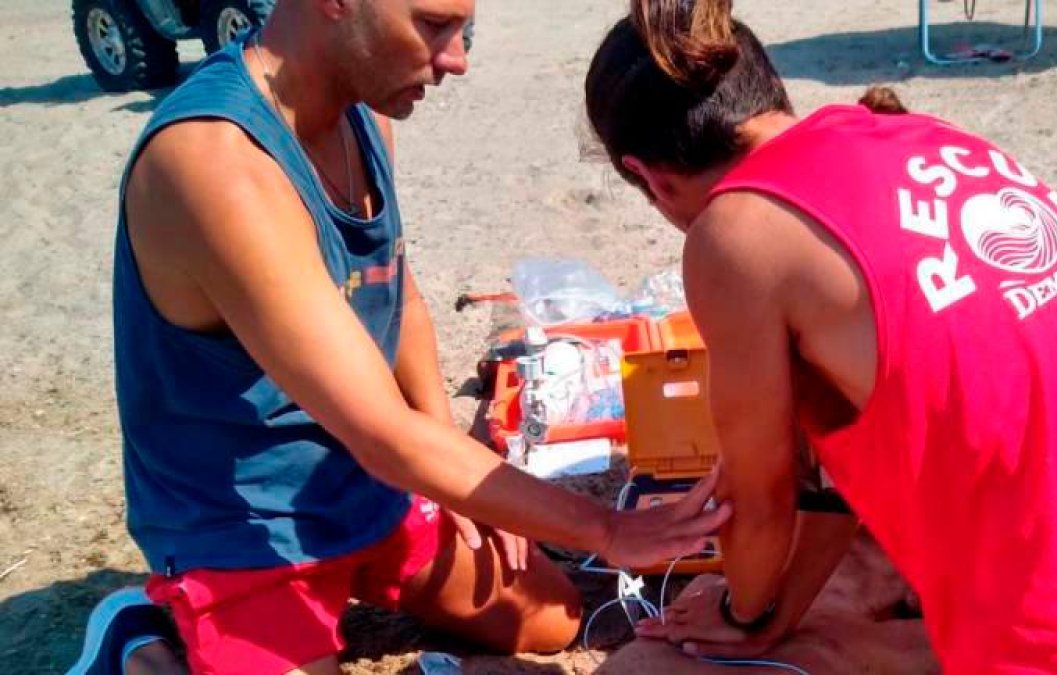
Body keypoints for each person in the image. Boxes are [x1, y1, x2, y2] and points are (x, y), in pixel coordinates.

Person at [66, 1, 731, 674]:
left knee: (550, 618)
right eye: (432, 24)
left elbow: (400, 294)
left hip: (360, 482)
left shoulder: (363, 109)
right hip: (243, 524)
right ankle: (144, 642)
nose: (456, 59)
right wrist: (610, 529)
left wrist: (453, 477)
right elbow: (384, 433)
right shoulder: (215, 164)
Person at [583, 0, 1057, 673]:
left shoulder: (735, 233)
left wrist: (741, 608)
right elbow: (846, 461)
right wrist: (778, 610)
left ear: (649, 176)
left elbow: (762, 503)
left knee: (644, 667)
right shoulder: (915, 133)